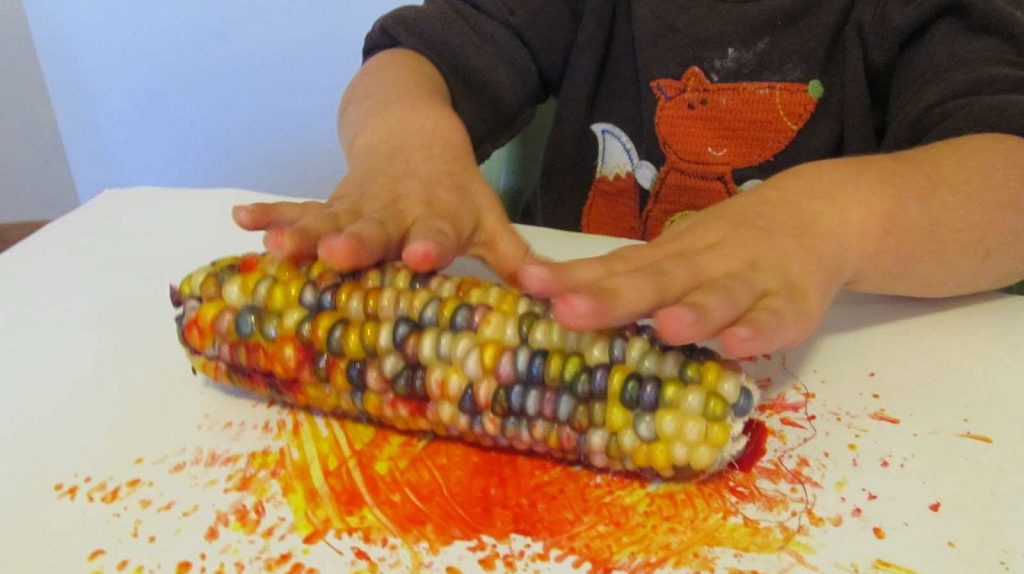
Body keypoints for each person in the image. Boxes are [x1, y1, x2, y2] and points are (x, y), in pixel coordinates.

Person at [232, 1, 1024, 358]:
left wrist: (833, 220)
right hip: (560, 337)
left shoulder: (927, 14)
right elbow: (423, 52)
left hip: (813, 377)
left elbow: (1006, 176)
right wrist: (406, 142)